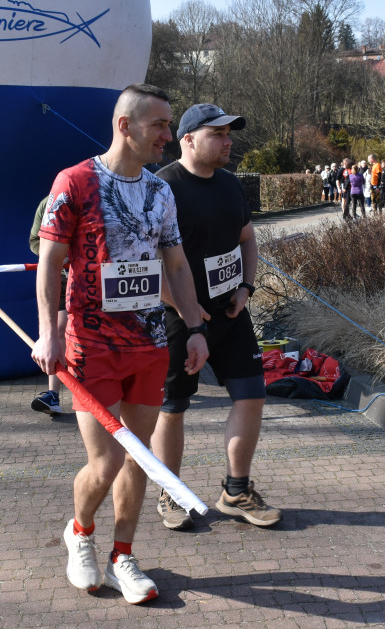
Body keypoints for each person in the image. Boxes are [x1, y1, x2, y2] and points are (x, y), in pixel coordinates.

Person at [31, 83, 209, 605]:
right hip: (91, 344)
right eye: (159, 125)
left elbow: (175, 264)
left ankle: (123, 555)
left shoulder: (160, 192)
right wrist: (49, 332)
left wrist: (195, 328)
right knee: (107, 460)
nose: (169, 135)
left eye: (170, 125)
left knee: (140, 460)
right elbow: (50, 263)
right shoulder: (76, 182)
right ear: (124, 125)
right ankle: (80, 533)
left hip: (150, 344)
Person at [152, 103, 282, 533]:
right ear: (187, 139)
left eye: (230, 134)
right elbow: (149, 265)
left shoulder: (230, 184)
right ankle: (171, 492)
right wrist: (188, 313)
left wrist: (246, 287)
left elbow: (247, 238)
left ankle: (236, 491)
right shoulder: (160, 189)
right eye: (218, 135)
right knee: (173, 407)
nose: (228, 142)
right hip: (177, 319)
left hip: (231, 313)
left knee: (251, 395)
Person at [28, 195, 68, 414]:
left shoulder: (97, 198)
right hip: (61, 276)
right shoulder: (48, 203)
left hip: (94, 277)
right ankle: (53, 395)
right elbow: (35, 240)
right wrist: (54, 254)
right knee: (59, 328)